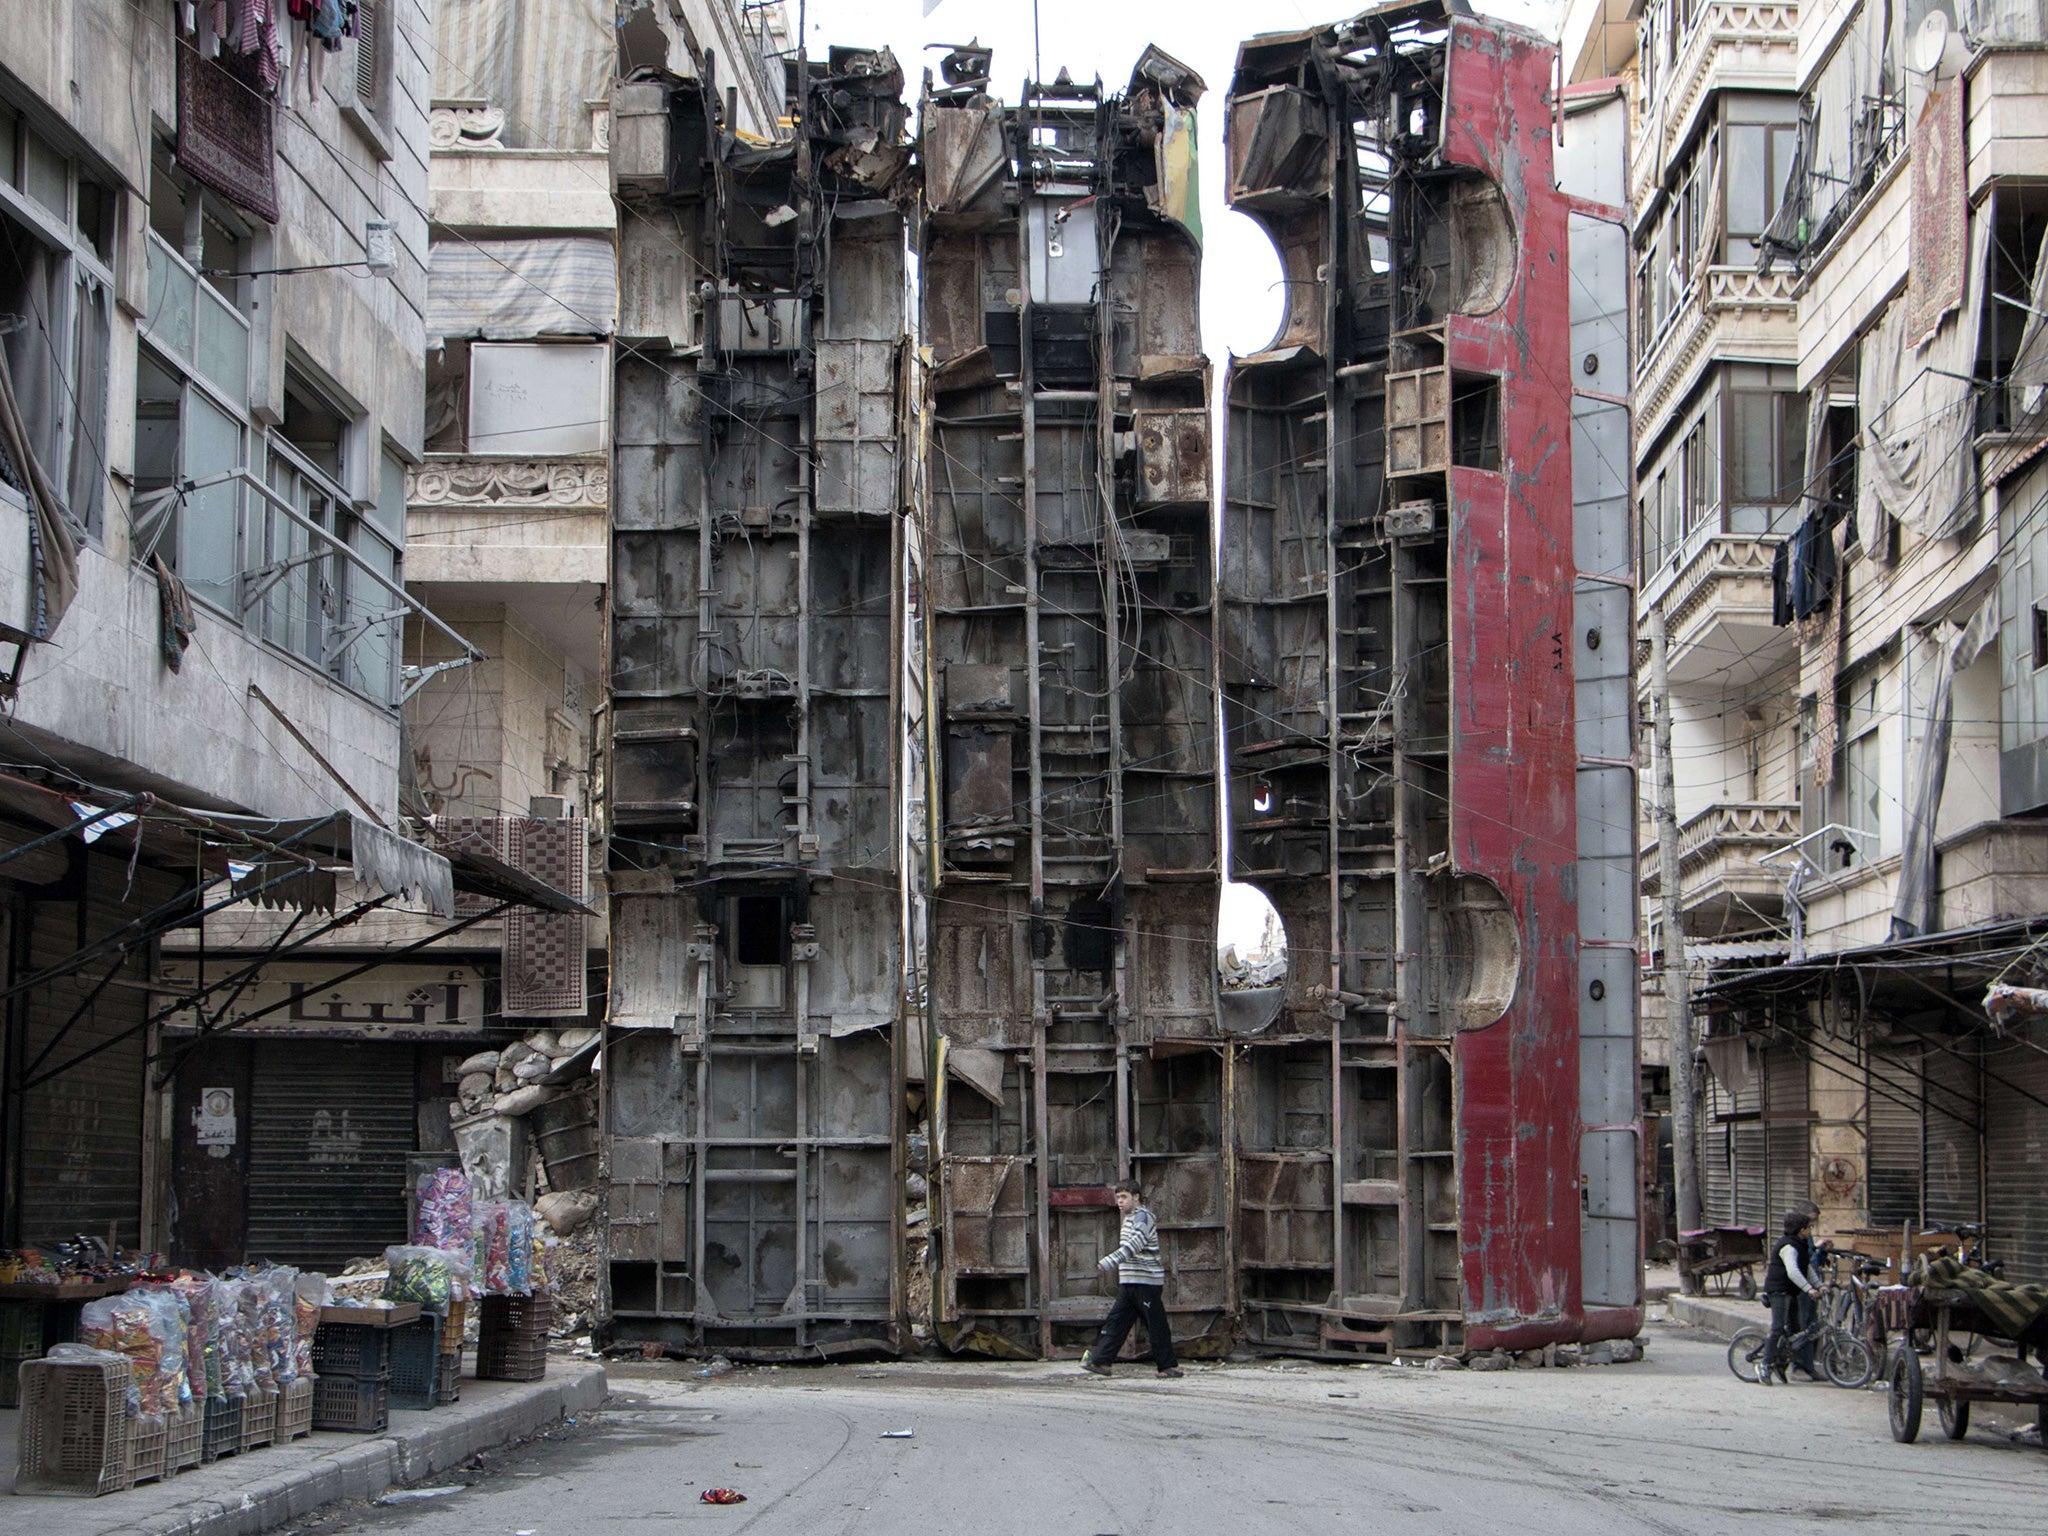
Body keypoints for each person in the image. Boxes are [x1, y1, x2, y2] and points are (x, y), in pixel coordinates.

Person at [1081, 1180, 1182, 1379]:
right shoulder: (1129, 1219)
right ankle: (1101, 1362)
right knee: (1116, 1322)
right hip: (1130, 1282)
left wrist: (1109, 1262)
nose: (1120, 1201)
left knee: (1156, 1325)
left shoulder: (1144, 1217)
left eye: (1124, 1197)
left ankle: (1168, 1366)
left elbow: (1133, 1246)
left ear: (1136, 1197)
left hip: (1146, 1282)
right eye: (1118, 1197)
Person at [1761, 1208, 1819, 1383]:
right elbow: (1793, 1271)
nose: (1811, 1231)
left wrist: (1819, 1285)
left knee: (1795, 1330)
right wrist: (1809, 1289)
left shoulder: (1800, 1245)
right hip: (1779, 1291)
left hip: (1791, 1292)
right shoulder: (1788, 1246)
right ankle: (1765, 1365)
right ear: (1801, 1230)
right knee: (1778, 1327)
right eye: (1809, 1227)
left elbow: (1806, 1268)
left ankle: (1780, 1362)